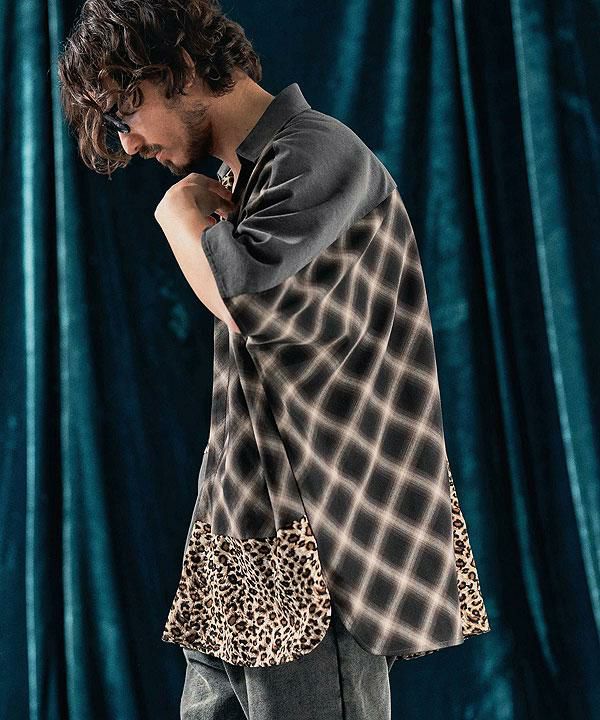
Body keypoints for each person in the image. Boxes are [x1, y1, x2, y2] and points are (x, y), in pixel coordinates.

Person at [57, 1, 492, 718]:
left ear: (179, 68)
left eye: (124, 114)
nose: (127, 144)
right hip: (242, 556)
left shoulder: (316, 153)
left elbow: (249, 301)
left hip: (316, 566)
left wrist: (179, 218)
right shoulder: (252, 176)